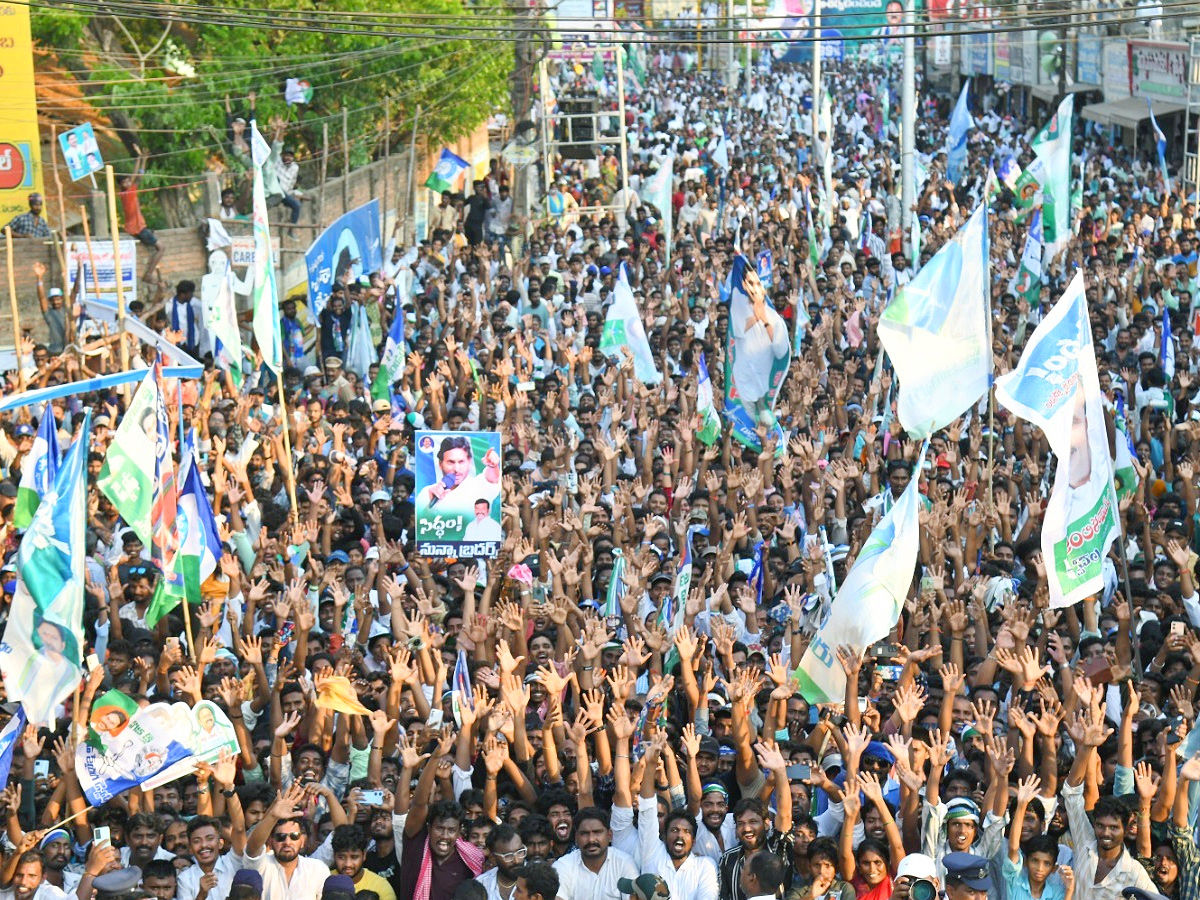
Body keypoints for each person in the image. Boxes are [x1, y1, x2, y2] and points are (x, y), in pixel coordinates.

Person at [118, 144, 165, 282]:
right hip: (137, 228)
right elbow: (136, 176)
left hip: (137, 226)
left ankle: (150, 272)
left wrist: (143, 158)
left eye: (127, 181)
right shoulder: (126, 193)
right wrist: (139, 158)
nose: (128, 182)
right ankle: (149, 274)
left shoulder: (129, 192)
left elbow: (139, 176)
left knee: (155, 242)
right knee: (161, 248)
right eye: (125, 181)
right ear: (122, 184)